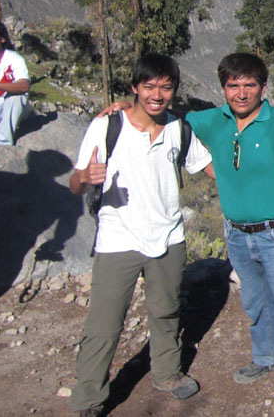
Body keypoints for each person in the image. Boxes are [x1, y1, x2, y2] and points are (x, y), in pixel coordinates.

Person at [187, 52, 274, 417]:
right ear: (223, 89)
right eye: (233, 85)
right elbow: (173, 122)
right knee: (255, 302)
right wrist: (126, 108)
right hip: (236, 233)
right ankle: (268, 357)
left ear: (263, 88)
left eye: (249, 84)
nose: (241, 92)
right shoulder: (212, 120)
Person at [69, 53, 211, 417]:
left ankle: (167, 373)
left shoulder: (179, 129)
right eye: (149, 86)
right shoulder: (107, 126)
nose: (157, 94)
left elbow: (209, 167)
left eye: (166, 87)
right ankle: (88, 399)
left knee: (166, 311)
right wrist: (85, 177)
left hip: (168, 237)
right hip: (118, 239)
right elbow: (74, 182)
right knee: (104, 323)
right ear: (134, 87)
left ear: (174, 90)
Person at [0, 19, 31, 145]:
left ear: (2, 39)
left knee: (17, 96)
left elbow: (24, 86)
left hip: (11, 108)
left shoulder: (14, 59)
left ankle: (2, 142)